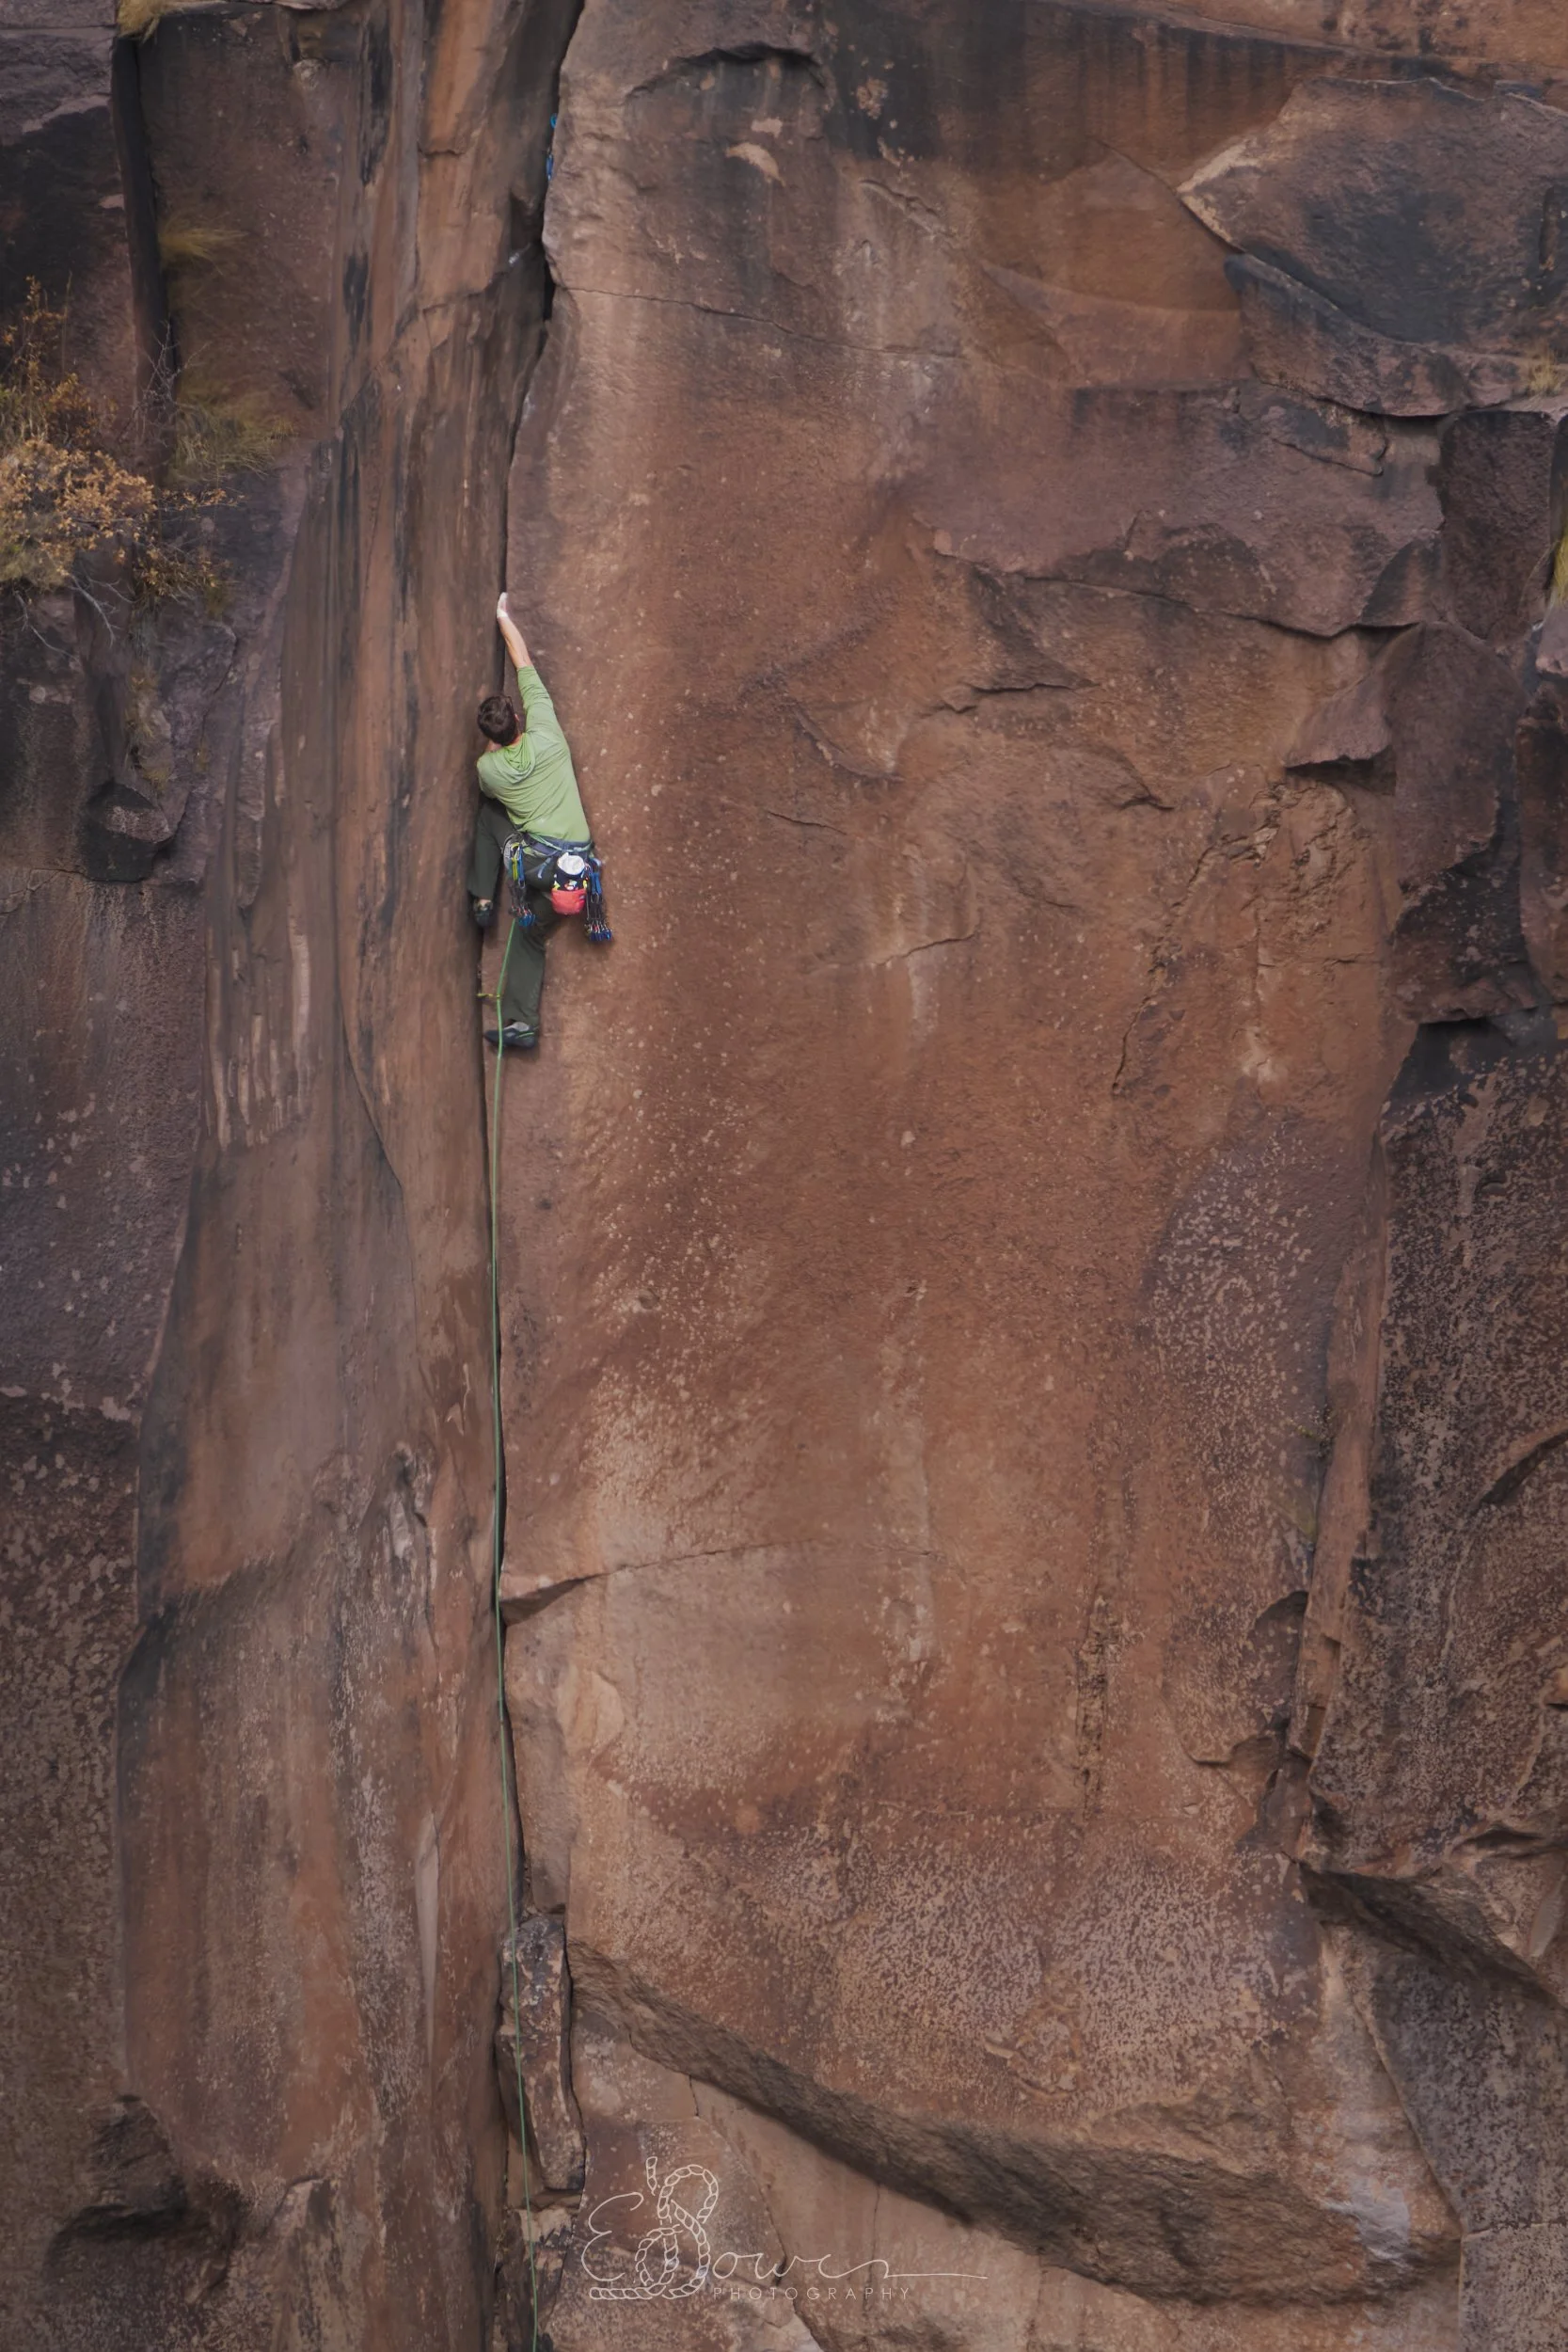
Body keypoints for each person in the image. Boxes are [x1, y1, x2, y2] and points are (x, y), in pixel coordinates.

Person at [468, 593, 595, 1051]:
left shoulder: (489, 771)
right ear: (519, 718)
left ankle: (482, 899)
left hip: (536, 865)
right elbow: (523, 662)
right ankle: (520, 1024)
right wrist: (503, 615)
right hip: (574, 873)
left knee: (488, 817)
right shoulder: (547, 733)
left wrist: (495, 749)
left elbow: (491, 783)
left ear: (490, 738)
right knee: (530, 933)